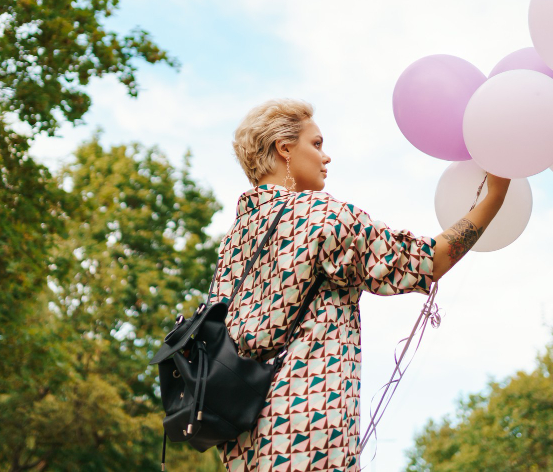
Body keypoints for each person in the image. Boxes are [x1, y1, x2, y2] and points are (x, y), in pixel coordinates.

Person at [210, 99, 510, 471]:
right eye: (316, 144)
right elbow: (425, 262)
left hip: (243, 444)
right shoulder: (323, 217)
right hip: (309, 435)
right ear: (284, 148)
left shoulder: (235, 238)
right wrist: (494, 198)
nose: (326, 156)